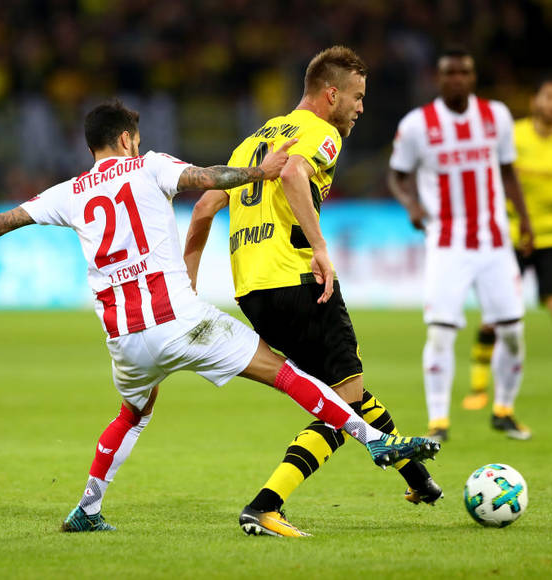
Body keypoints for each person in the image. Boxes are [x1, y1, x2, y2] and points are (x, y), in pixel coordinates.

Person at [0, 99, 440, 533]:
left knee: (132, 413)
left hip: (124, 339)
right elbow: (209, 179)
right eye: (134, 139)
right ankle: (375, 440)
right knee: (284, 372)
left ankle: (88, 508)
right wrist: (261, 170)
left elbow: (1, 221)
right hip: (183, 322)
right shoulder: (150, 165)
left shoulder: (70, 193)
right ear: (126, 140)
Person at [184, 46, 443, 539]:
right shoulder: (322, 133)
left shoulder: (253, 141)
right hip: (298, 278)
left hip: (253, 291)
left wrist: (185, 286)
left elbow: (202, 210)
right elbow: (293, 173)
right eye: (357, 97)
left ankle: (418, 479)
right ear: (330, 94)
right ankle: (266, 504)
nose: (360, 108)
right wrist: (320, 248)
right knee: (343, 396)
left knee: (346, 387)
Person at [387, 47, 535, 442]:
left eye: (464, 72)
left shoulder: (496, 116)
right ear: (439, 79)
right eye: (450, 73)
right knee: (440, 333)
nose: (457, 79)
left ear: (473, 77)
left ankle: (504, 410)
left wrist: (525, 220)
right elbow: (397, 175)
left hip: (495, 242)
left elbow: (508, 171)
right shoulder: (417, 125)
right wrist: (411, 204)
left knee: (512, 331)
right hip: (447, 244)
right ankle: (438, 421)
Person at [463, 79, 552, 410]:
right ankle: (478, 389)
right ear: (534, 100)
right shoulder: (512, 135)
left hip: (551, 236)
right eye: (549, 97)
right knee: (493, 314)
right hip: (509, 235)